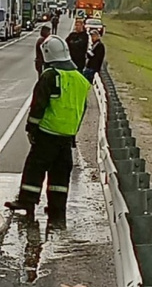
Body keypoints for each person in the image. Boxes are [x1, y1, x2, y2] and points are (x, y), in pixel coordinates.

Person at [5, 35, 91, 226]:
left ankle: (27, 202)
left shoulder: (50, 76)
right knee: (60, 174)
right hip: (67, 136)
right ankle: (57, 211)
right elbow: (82, 108)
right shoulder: (81, 79)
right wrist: (73, 131)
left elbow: (38, 105)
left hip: (47, 133)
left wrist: (31, 128)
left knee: (35, 168)